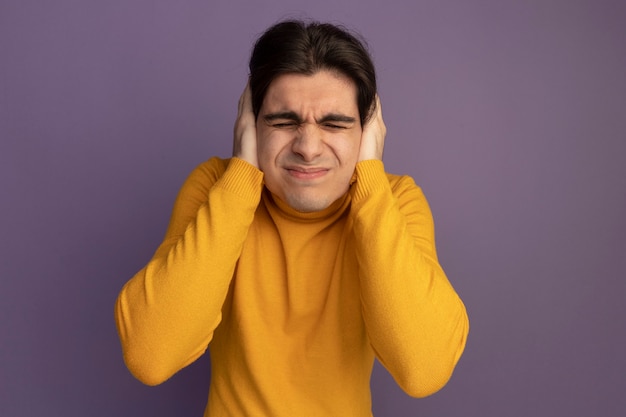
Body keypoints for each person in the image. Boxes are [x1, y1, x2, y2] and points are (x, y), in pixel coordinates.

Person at [115, 19, 469, 416]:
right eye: (283, 122)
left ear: (368, 130)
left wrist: (370, 180)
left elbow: (424, 369)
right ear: (251, 123)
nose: (308, 147)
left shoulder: (395, 200)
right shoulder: (216, 186)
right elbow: (151, 355)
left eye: (335, 124)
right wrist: (241, 176)